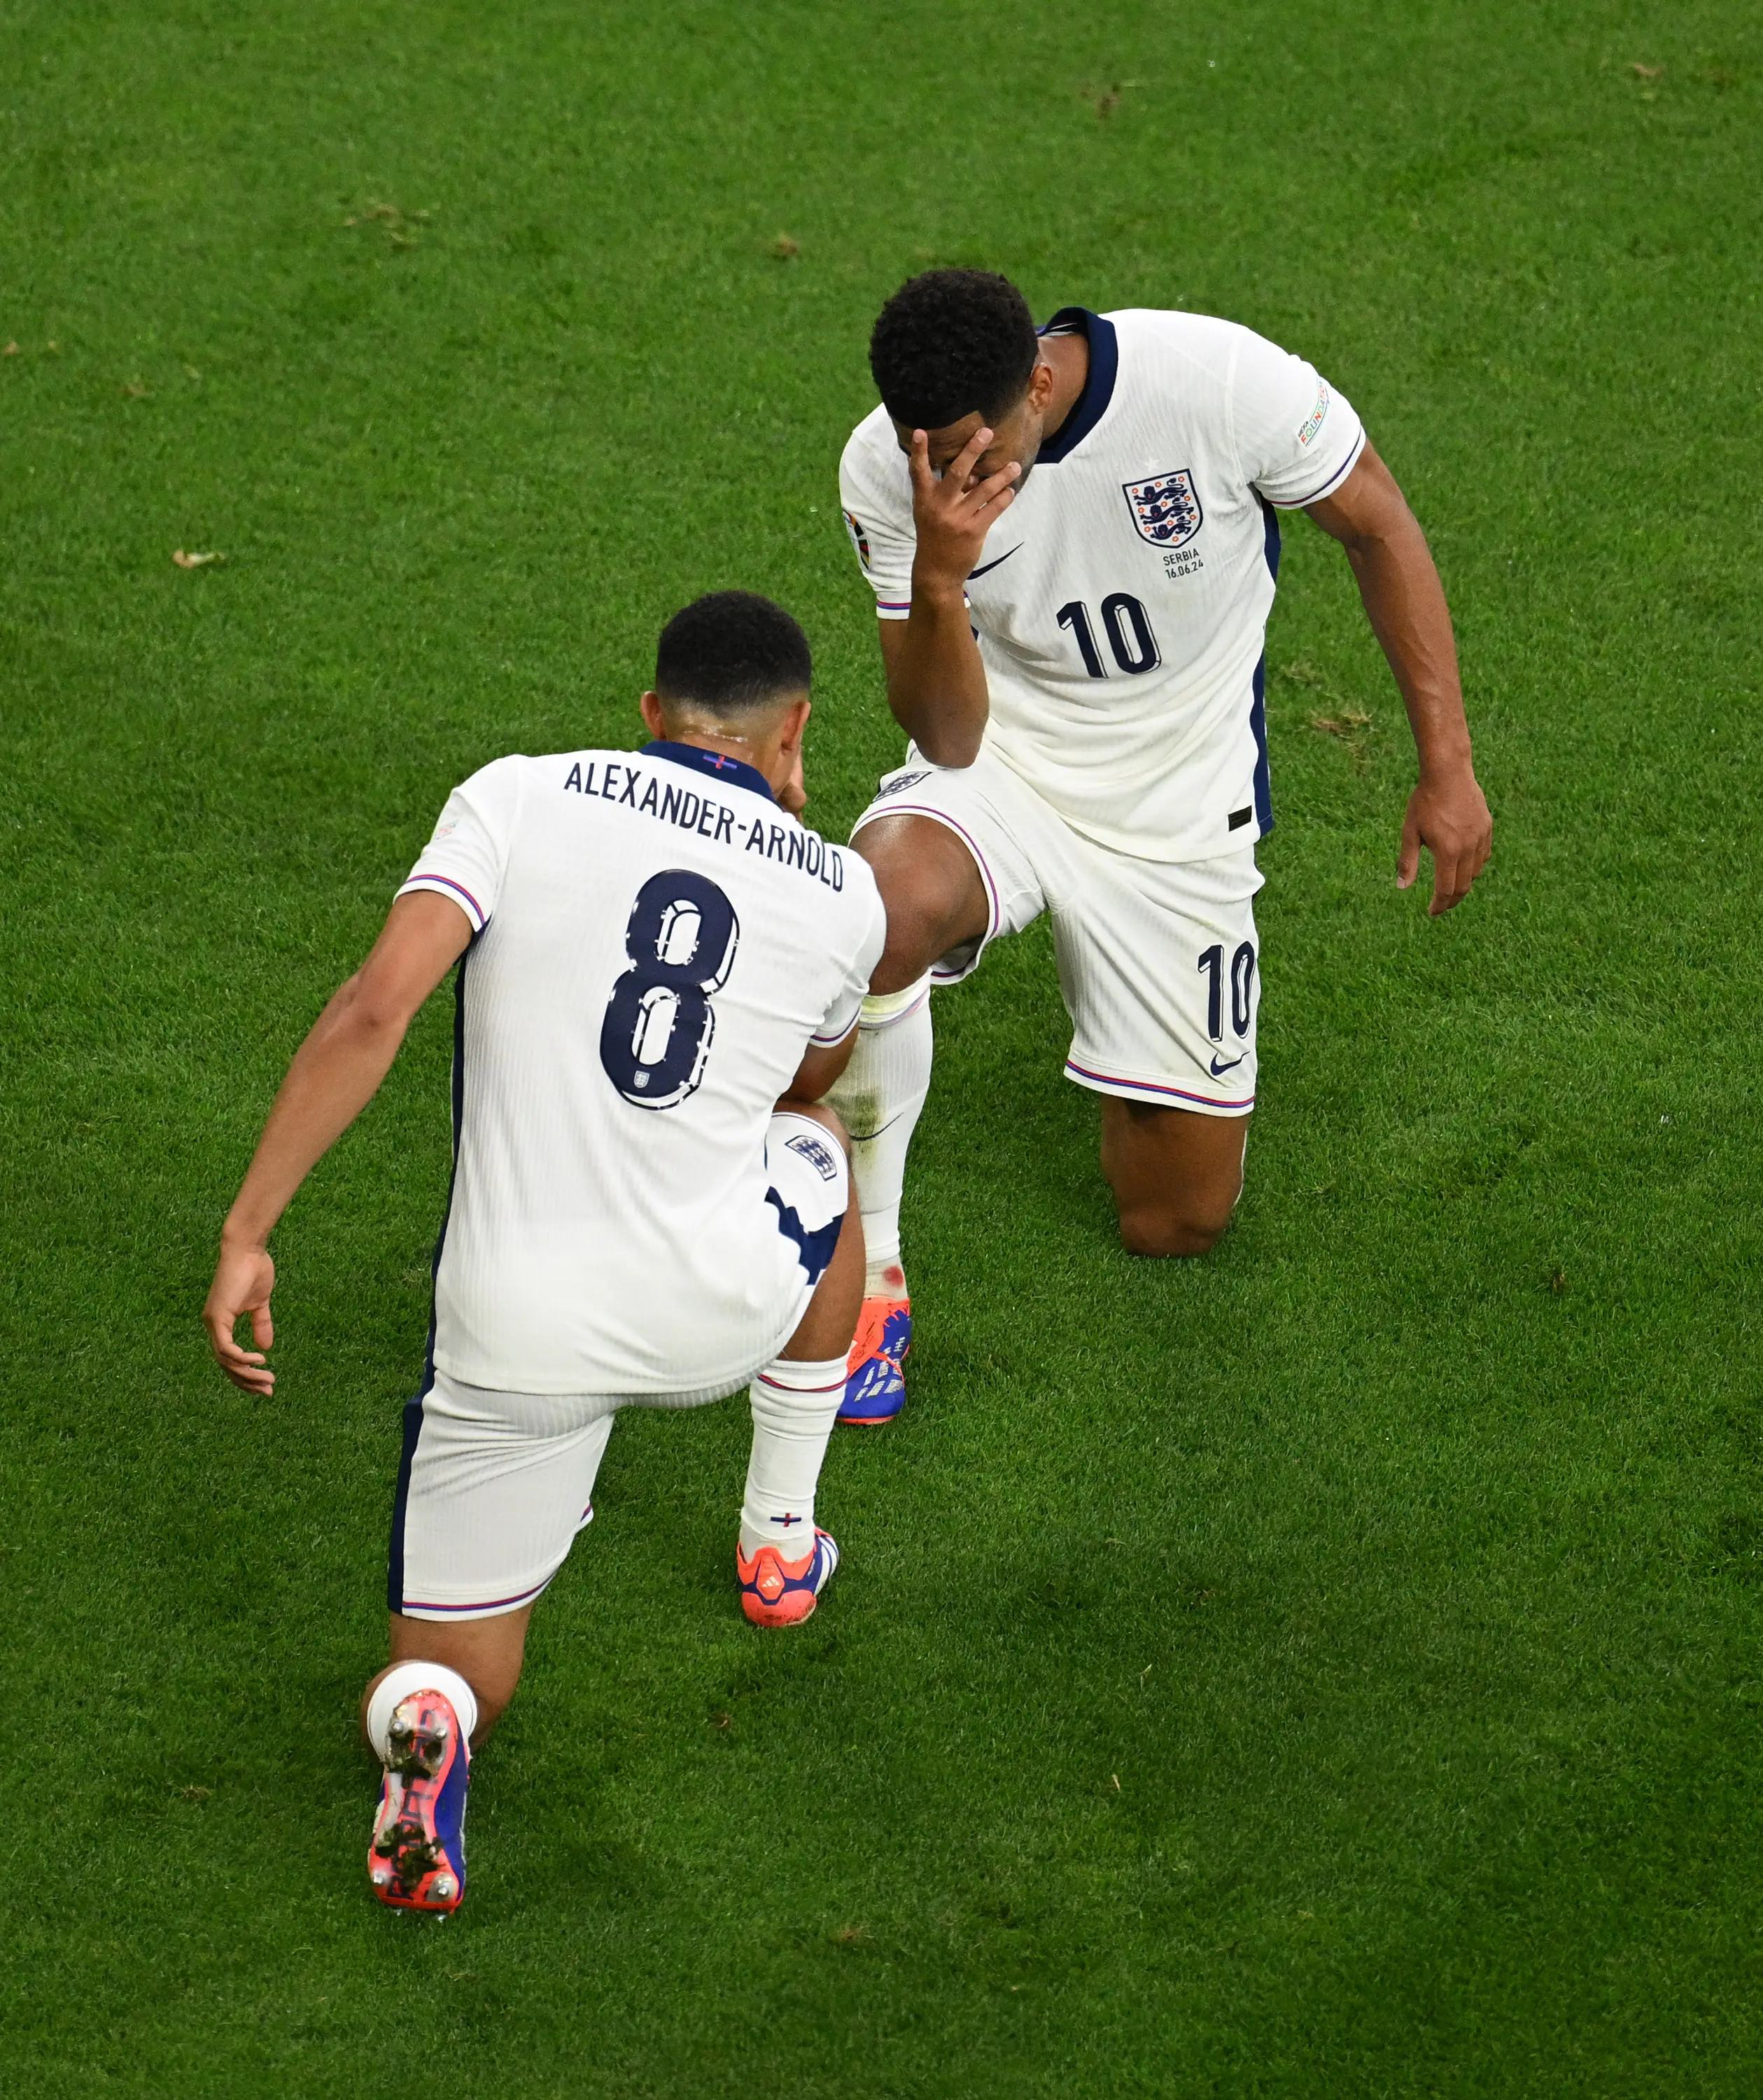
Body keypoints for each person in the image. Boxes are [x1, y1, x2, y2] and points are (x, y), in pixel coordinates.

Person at [202, 592, 886, 1914]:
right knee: (814, 1149)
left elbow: (374, 1007)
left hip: (517, 1336)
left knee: (456, 1671)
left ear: (647, 719)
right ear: (794, 731)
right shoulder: (842, 889)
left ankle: (428, 1739)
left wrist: (249, 1229)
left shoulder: (516, 795)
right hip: (721, 1303)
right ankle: (779, 1543)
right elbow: (807, 1071)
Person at [831, 270, 1493, 1422]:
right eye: (928, 455)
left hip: (1179, 812)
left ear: (1039, 382)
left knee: (1173, 1222)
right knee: (875, 910)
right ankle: (866, 1273)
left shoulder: (1218, 382)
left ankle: (1135, 1053)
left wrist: (1445, 764)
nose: (953, 479)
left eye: (976, 456)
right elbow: (945, 731)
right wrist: (939, 576)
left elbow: (1376, 522)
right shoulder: (890, 471)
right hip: (1007, 765)